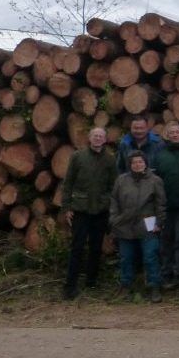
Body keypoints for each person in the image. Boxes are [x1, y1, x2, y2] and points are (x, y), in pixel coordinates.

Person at [60, 127, 117, 300]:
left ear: (105, 139)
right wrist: (67, 206)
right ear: (89, 138)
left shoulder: (109, 159)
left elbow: (113, 185)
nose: (98, 138)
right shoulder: (78, 157)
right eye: (95, 136)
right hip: (81, 209)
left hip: (100, 210)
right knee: (77, 247)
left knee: (96, 247)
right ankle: (70, 286)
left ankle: (91, 281)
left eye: (101, 136)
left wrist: (107, 202)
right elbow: (68, 183)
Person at [109, 151, 167, 303]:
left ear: (145, 163)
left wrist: (159, 223)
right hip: (124, 225)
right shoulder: (121, 180)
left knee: (150, 257)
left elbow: (160, 204)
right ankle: (126, 286)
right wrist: (114, 219)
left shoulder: (155, 180)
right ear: (130, 165)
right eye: (134, 162)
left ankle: (154, 286)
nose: (137, 165)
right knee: (126, 258)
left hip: (147, 225)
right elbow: (114, 201)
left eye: (140, 162)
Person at [153, 122, 179, 287]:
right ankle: (165, 273)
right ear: (167, 136)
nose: (175, 135)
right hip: (165, 207)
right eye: (172, 132)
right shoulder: (160, 155)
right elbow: (154, 181)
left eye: (178, 132)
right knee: (165, 241)